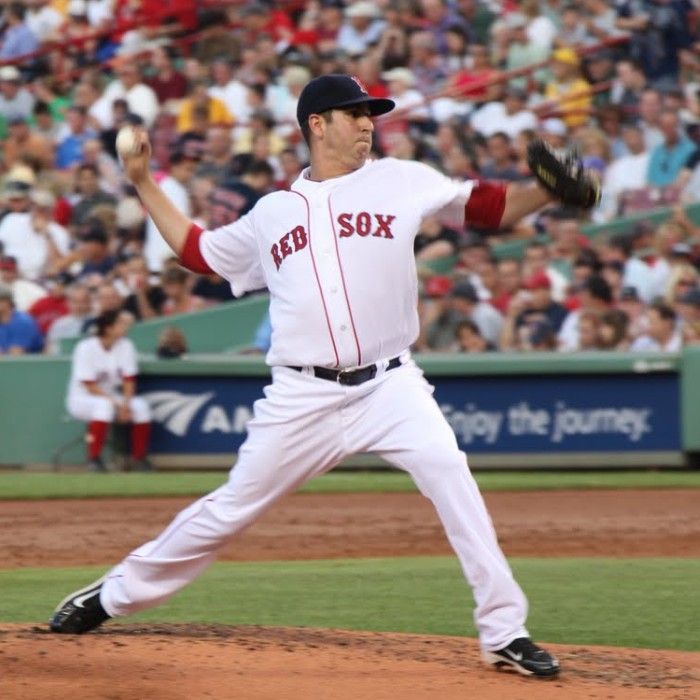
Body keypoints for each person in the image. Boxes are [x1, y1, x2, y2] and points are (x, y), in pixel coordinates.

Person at [48, 73, 593, 678]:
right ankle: (113, 595)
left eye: (370, 115)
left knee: (451, 475)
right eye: (354, 114)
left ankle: (505, 632)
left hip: (390, 384)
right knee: (231, 508)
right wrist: (144, 181)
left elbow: (489, 207)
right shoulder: (273, 213)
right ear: (317, 124)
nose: (367, 124)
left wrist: (547, 192)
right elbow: (199, 253)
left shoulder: (400, 179)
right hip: (302, 394)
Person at [65, 308, 152, 472]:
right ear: (108, 328)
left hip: (111, 396)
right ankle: (94, 459)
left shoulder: (126, 345)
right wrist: (117, 405)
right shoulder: (85, 347)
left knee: (141, 407)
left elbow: (129, 379)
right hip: (81, 398)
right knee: (103, 406)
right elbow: (89, 385)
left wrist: (126, 404)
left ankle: (139, 458)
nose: (125, 327)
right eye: (120, 323)